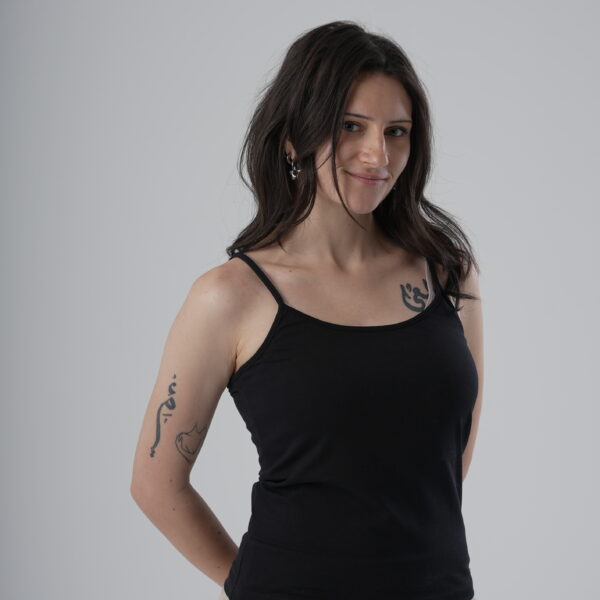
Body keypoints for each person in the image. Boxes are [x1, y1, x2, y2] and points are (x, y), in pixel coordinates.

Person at [130, 20, 483, 600]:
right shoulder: (230, 297)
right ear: (295, 137)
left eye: (396, 132)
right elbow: (155, 483)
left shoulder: (447, 274)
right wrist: (250, 583)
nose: (378, 154)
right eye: (351, 126)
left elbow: (448, 458)